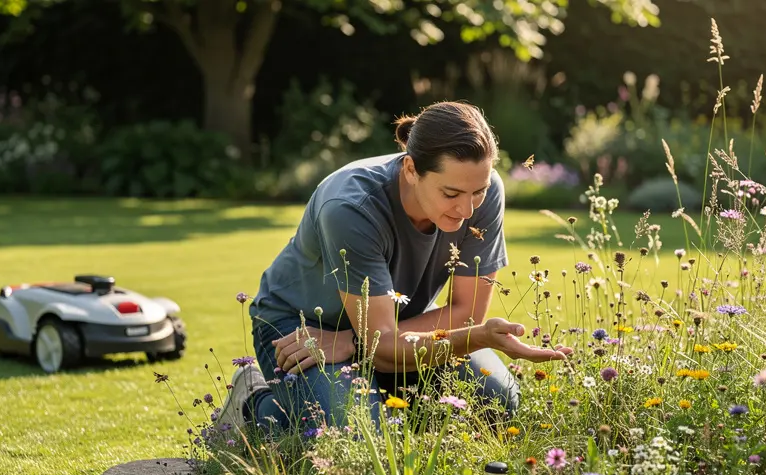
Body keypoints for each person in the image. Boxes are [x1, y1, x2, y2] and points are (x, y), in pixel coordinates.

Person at [219, 101, 573, 432]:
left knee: (496, 402)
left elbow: (464, 313)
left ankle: (384, 408)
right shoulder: (351, 207)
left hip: (389, 326)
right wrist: (380, 345)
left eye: (477, 192)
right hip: (302, 328)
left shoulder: (484, 191)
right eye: (450, 195)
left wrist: (356, 343)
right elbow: (396, 343)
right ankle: (253, 402)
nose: (467, 211)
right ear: (410, 168)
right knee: (356, 433)